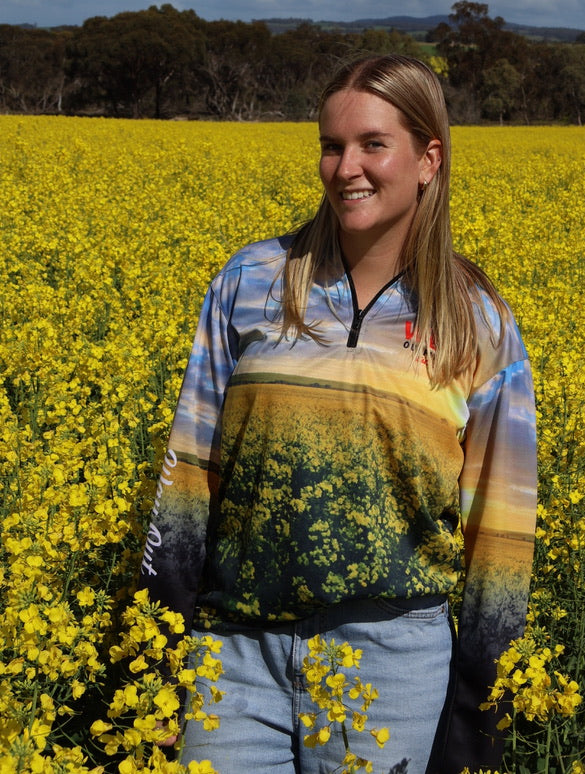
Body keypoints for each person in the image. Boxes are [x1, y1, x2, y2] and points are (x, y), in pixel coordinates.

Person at [138, 55, 537, 774]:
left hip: (392, 667)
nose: (345, 166)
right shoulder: (250, 280)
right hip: (234, 655)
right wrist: (158, 649)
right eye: (331, 145)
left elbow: (500, 534)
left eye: (372, 144)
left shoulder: (479, 321)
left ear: (428, 158)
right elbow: (189, 474)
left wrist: (481, 706)